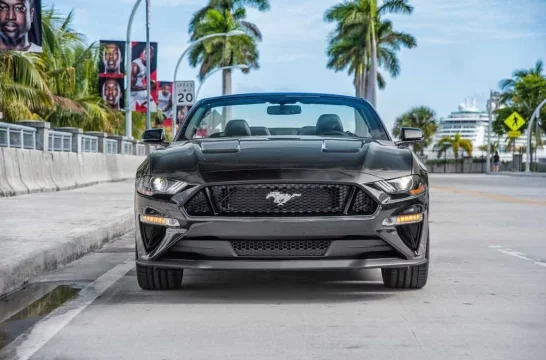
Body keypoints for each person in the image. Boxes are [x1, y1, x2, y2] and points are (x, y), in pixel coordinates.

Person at [130, 47, 157, 112]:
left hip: (140, 90)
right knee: (129, 114)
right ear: (143, 53)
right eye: (145, 53)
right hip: (131, 93)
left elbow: (147, 79)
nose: (146, 55)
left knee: (154, 108)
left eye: (149, 54)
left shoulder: (148, 64)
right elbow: (130, 87)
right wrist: (144, 87)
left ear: (152, 55)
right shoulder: (135, 65)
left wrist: (152, 83)